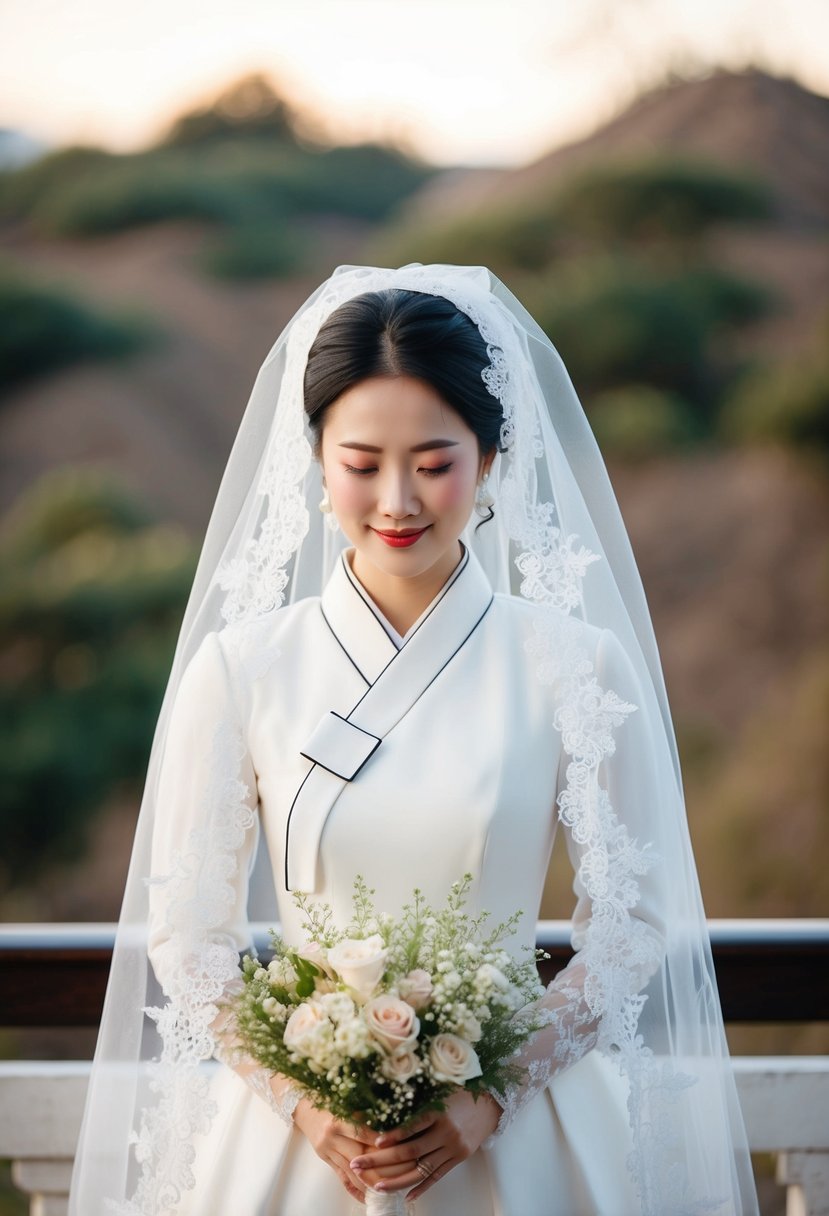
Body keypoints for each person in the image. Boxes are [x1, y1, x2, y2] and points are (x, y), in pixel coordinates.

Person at [68, 264, 758, 1216]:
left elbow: (631, 929)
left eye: (433, 463)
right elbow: (190, 938)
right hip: (297, 1145)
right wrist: (305, 1103)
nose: (396, 500)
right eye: (361, 464)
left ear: (488, 461)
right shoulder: (241, 669)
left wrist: (489, 1097)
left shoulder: (574, 665)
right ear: (314, 462)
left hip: (517, 1137)